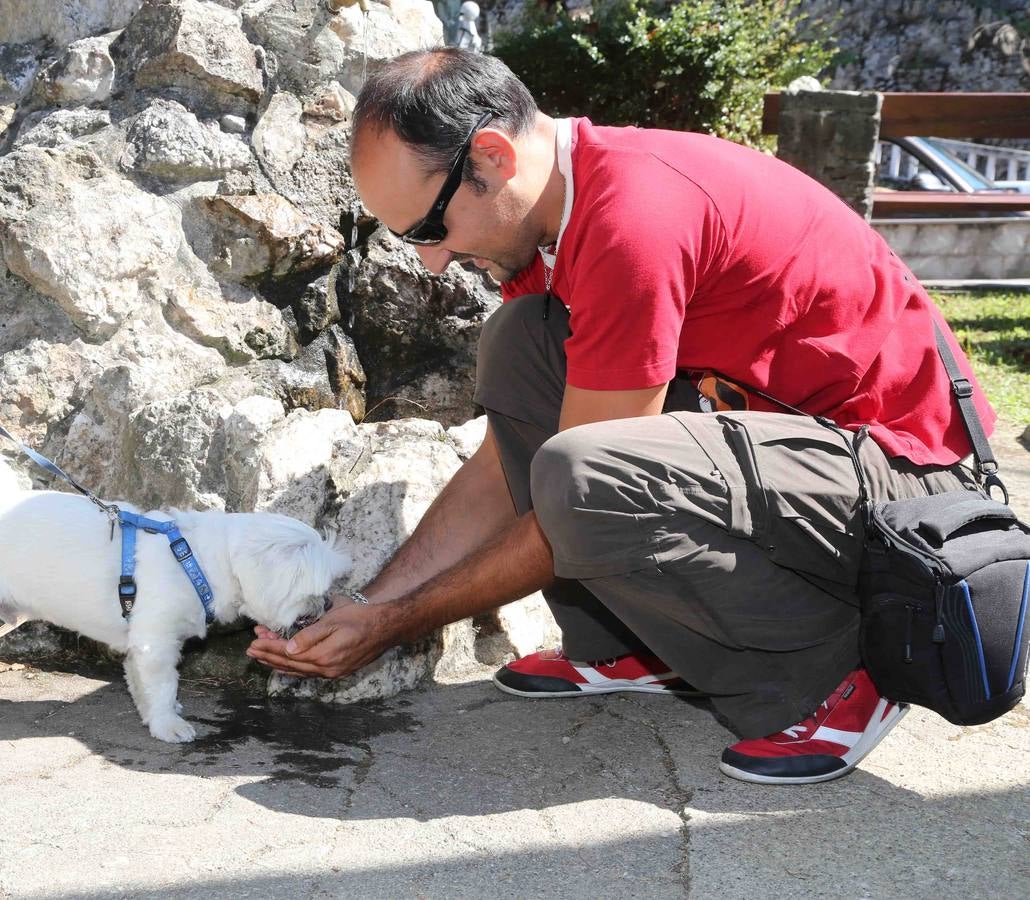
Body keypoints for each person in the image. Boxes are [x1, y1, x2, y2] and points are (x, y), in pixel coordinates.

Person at [247, 48, 998, 786]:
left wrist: (395, 624)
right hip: (808, 461)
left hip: (911, 490)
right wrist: (370, 602)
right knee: (521, 343)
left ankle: (830, 673)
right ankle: (628, 644)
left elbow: (580, 485)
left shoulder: (631, 219)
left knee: (585, 475)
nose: (434, 262)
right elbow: (501, 468)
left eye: (428, 230)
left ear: (493, 156)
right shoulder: (554, 221)